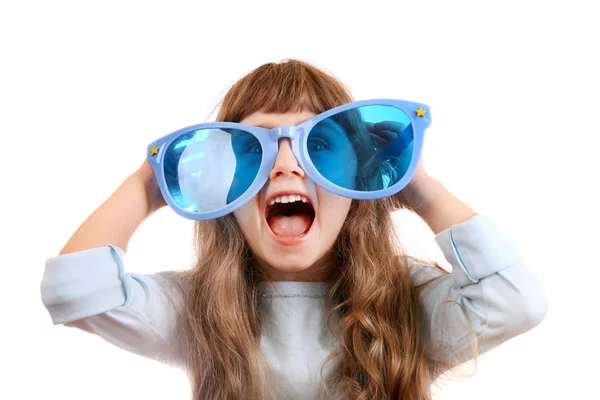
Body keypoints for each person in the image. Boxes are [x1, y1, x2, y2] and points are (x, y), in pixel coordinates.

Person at [40, 59, 548, 400]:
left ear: (357, 179)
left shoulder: (406, 304)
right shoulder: (203, 308)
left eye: (319, 145)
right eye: (252, 148)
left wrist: (418, 187)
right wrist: (152, 181)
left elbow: (516, 301)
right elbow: (75, 290)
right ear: (225, 189)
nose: (286, 164)